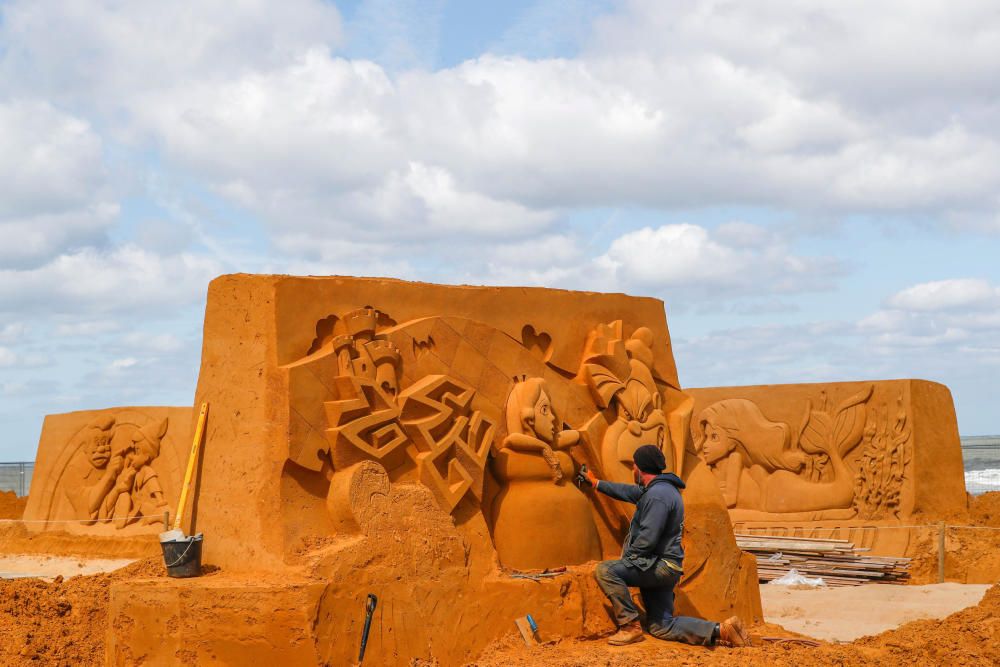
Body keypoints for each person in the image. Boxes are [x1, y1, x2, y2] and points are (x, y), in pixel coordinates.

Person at [579, 444, 750, 647]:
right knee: (661, 626)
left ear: (641, 468)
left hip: (660, 567)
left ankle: (630, 626)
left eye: (634, 465)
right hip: (666, 566)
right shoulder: (660, 490)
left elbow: (647, 539)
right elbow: (628, 491)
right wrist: (596, 483)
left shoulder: (658, 496)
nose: (632, 469)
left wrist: (628, 561)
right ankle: (721, 630)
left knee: (606, 571)